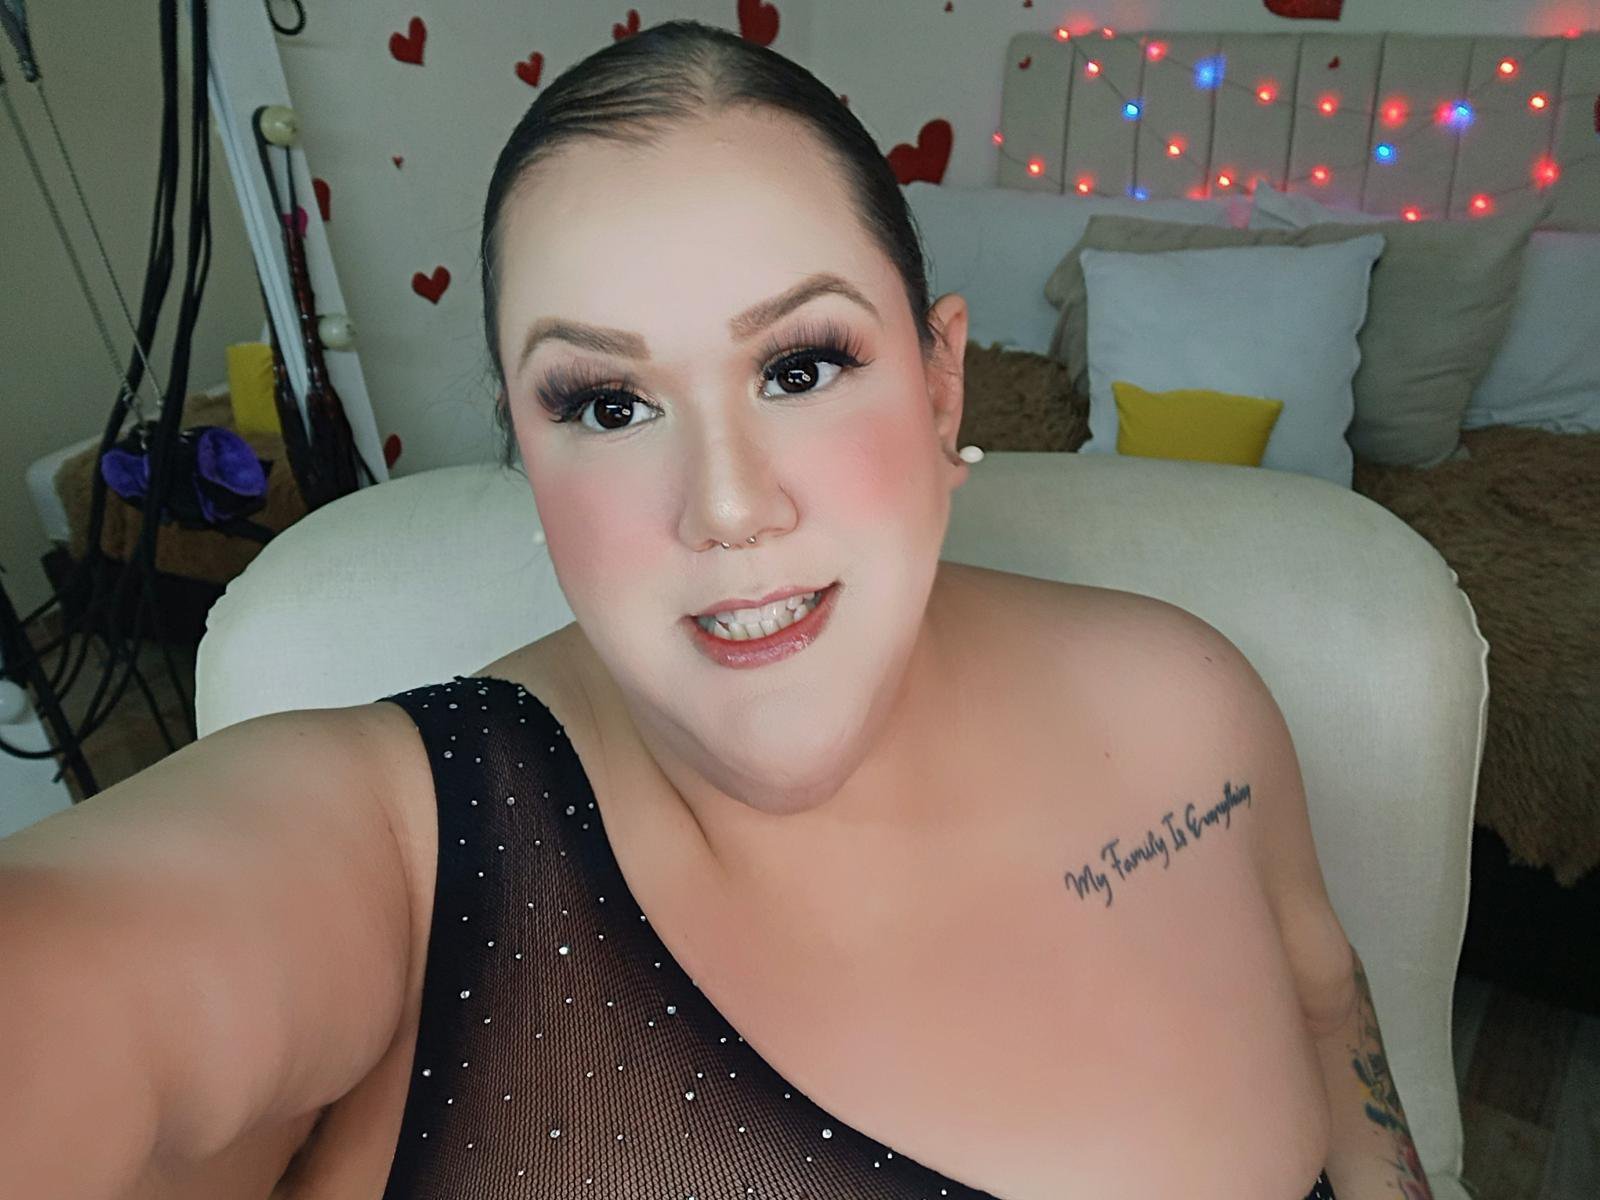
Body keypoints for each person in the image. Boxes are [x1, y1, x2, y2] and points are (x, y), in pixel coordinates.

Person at [0, 18, 1428, 1200]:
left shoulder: (1190, 705)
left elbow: (1332, 1030)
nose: (727, 508)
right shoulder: (401, 842)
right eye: (608, 404)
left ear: (940, 385)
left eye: (800, 368)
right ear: (526, 454)